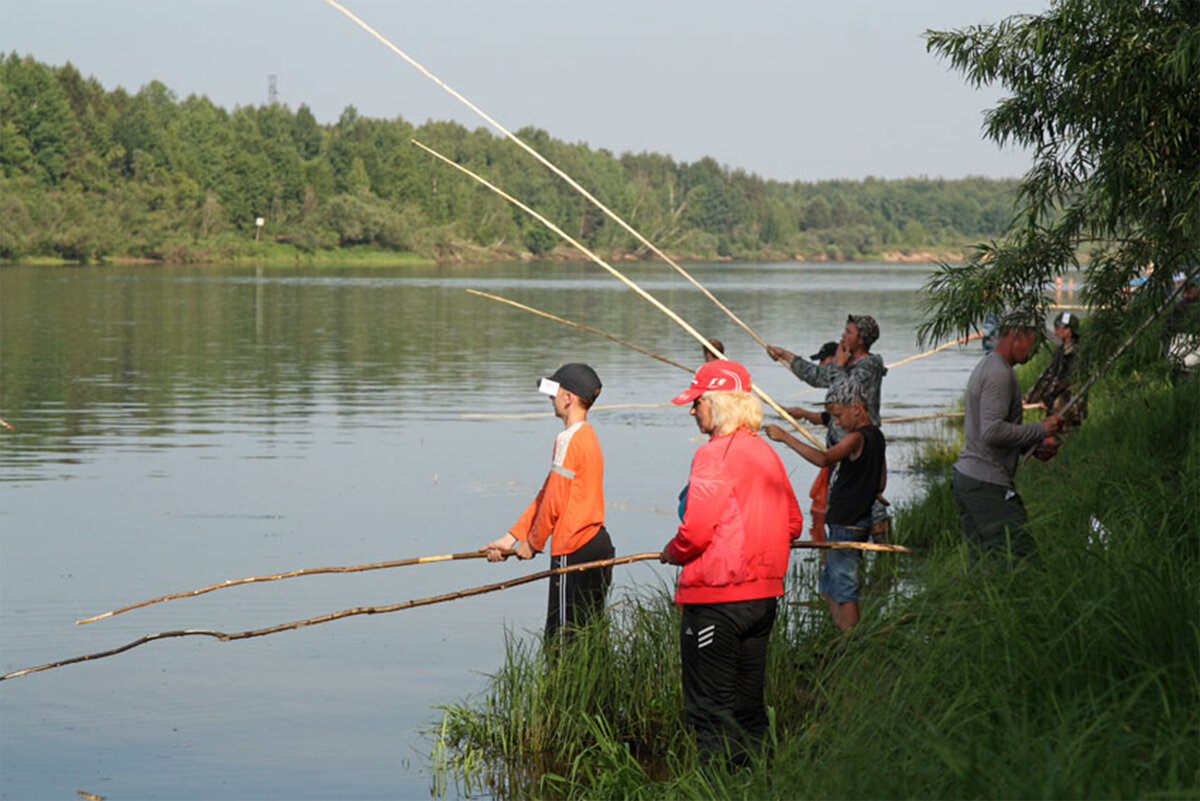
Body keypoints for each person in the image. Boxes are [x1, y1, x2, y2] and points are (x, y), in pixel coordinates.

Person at [660, 360, 803, 765]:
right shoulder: (765, 451)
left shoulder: (712, 455)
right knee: (748, 710)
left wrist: (673, 551)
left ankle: (713, 789)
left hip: (716, 602)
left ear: (719, 403)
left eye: (697, 402)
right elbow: (793, 523)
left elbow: (696, 532)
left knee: (709, 711)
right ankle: (759, 784)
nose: (692, 411)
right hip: (762, 602)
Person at [483, 363, 614, 639]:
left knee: (562, 642)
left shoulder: (568, 439)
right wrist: (511, 538)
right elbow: (547, 493)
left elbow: (554, 501)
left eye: (554, 393)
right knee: (589, 636)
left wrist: (532, 543)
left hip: (574, 547)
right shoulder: (588, 437)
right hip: (597, 544)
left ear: (568, 398)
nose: (550, 399)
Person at [764, 382, 886, 631]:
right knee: (829, 585)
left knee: (843, 587)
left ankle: (851, 642)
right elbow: (881, 481)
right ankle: (841, 635)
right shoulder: (877, 436)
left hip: (848, 524)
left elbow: (824, 459)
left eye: (839, 416)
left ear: (857, 408)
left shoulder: (856, 438)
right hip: (850, 520)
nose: (837, 423)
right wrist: (867, 487)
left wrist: (786, 437)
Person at [952, 315, 1062, 561]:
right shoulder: (999, 373)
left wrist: (1032, 446)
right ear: (1018, 334)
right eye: (1035, 342)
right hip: (986, 482)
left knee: (985, 565)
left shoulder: (992, 366)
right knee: (1022, 559)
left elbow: (990, 432)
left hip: (971, 478)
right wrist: (1040, 430)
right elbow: (992, 432)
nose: (1037, 350)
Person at [766, 315, 889, 535]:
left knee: (870, 504)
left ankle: (884, 556)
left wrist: (839, 366)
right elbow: (816, 376)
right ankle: (847, 546)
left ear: (861, 339)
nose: (843, 335)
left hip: (859, 444)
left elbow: (847, 390)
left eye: (849, 332)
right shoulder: (845, 363)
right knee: (844, 495)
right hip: (841, 445)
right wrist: (785, 356)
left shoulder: (870, 364)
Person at [779, 341, 838, 542]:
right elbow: (828, 419)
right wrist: (802, 414)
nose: (821, 364)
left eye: (823, 360)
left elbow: (814, 376)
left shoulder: (843, 378)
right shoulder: (842, 386)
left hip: (838, 458)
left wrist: (784, 354)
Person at [1026, 311, 1087, 429]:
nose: (1055, 331)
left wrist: (1046, 400)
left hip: (1068, 409)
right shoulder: (1060, 351)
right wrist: (1029, 399)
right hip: (1056, 408)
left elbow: (1062, 380)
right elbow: (1047, 375)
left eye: (1058, 327)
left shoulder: (1073, 354)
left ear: (1068, 331)